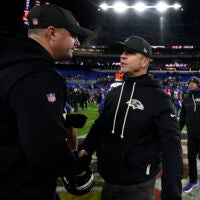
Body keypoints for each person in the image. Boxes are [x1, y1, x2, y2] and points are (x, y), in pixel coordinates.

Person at [0, 3, 92, 200]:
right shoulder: (39, 74)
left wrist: (60, 121)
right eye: (73, 35)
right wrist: (75, 165)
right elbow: (45, 150)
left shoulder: (13, 63)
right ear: (52, 33)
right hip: (21, 188)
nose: (77, 42)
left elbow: (14, 123)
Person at [79, 35, 183, 200]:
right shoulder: (115, 92)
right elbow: (100, 125)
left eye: (130, 53)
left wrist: (171, 192)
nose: (123, 56)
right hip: (109, 181)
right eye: (122, 52)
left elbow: (172, 147)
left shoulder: (159, 97)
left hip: (138, 185)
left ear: (145, 62)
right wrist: (85, 149)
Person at [179, 76, 200, 193]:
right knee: (191, 158)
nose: (190, 84)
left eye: (193, 83)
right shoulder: (186, 98)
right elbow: (182, 116)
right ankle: (193, 181)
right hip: (191, 134)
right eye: (189, 83)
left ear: (198, 84)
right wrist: (178, 130)